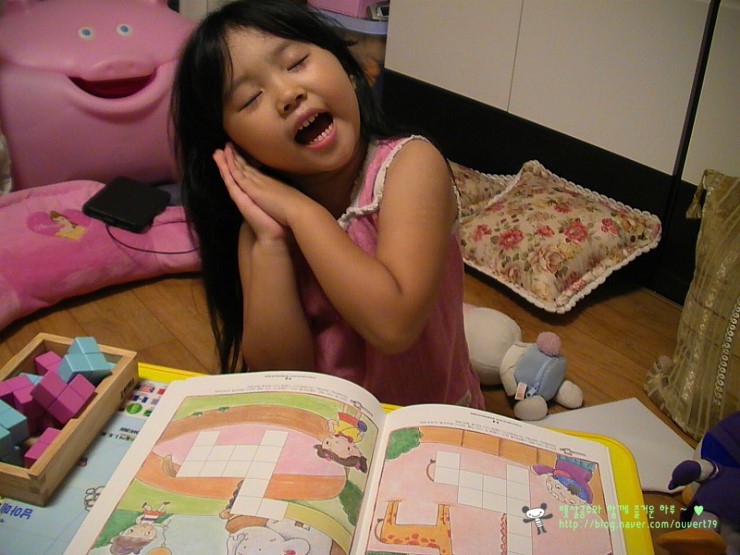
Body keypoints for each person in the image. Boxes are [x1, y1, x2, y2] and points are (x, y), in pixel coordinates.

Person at [171, 0, 484, 409]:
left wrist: (303, 213)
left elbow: (394, 324)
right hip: (331, 428)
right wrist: (270, 243)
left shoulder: (409, 165)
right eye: (250, 99)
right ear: (235, 147)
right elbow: (281, 375)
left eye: (296, 62)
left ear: (349, 68)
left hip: (429, 424)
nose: (287, 95)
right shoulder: (263, 224)